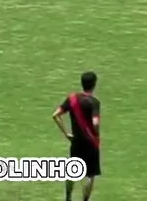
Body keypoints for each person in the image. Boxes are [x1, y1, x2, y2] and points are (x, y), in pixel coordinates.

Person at [51, 71, 100, 201]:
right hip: (91, 142)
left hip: (76, 141)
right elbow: (95, 123)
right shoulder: (94, 102)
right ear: (94, 84)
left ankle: (68, 198)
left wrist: (66, 133)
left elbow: (55, 115)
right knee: (90, 175)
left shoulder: (72, 99)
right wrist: (96, 134)